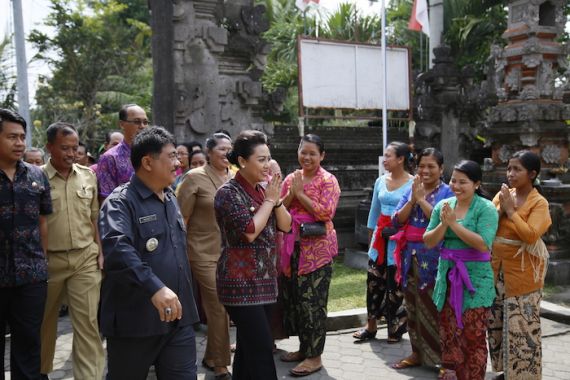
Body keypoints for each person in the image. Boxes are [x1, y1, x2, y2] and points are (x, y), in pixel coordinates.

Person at [98, 126, 199, 379]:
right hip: (135, 323)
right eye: (172, 156)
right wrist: (155, 287)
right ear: (147, 162)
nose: (178, 163)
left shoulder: (170, 197)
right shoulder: (120, 202)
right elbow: (118, 250)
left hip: (178, 320)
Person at [215, 130, 291, 380]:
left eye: (268, 158)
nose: (267, 164)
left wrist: (276, 201)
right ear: (243, 161)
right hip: (239, 284)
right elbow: (249, 231)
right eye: (261, 159)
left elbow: (286, 226)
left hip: (265, 280)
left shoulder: (264, 191)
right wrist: (270, 201)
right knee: (260, 351)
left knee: (248, 350)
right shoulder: (228, 193)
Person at [40, 122, 105, 379]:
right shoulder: (36, 178)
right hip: (48, 262)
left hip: (84, 259)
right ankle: (40, 372)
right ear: (49, 147)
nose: (71, 153)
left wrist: (100, 251)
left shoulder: (88, 175)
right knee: (43, 324)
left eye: (74, 147)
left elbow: (94, 217)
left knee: (87, 324)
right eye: (64, 148)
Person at [424, 160, 498, 380]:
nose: (456, 185)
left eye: (462, 182)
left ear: (476, 184)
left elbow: (484, 244)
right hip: (447, 277)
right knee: (448, 332)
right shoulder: (443, 206)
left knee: (473, 335)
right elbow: (428, 240)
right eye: (453, 180)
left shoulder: (485, 208)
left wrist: (454, 225)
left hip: (475, 280)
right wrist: (444, 224)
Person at [278, 134, 341, 377]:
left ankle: (315, 357)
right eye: (303, 152)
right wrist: (293, 192)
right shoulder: (292, 177)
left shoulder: (328, 180)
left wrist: (301, 194)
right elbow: (279, 207)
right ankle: (305, 348)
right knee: (296, 301)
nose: (307, 157)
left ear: (322, 156)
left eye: (313, 153)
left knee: (313, 304)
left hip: (317, 252)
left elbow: (326, 213)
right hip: (292, 248)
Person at [488, 151, 551, 380]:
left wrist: (511, 211)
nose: (511, 173)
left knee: (522, 328)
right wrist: (500, 209)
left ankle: (524, 376)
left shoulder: (539, 203)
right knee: (496, 323)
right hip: (496, 270)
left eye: (517, 169)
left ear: (532, 174)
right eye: (509, 168)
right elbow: (487, 227)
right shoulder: (503, 195)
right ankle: (505, 371)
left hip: (524, 274)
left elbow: (531, 236)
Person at [0, 108, 52, 379]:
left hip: (30, 276)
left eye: (22, 137)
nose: (20, 143)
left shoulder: (36, 175)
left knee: (29, 346)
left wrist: (41, 261)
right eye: (12, 137)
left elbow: (43, 222)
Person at [390, 148, 453, 370]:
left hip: (434, 256)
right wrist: (412, 200)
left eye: (431, 166)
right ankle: (417, 353)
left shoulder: (448, 192)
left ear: (441, 169)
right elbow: (396, 221)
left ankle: (442, 359)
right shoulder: (412, 189)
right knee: (412, 305)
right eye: (421, 166)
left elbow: (441, 222)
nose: (425, 170)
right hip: (410, 255)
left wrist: (421, 200)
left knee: (435, 307)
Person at [177, 132, 233, 379]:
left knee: (224, 307)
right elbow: (180, 219)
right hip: (200, 251)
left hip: (230, 253)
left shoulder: (234, 176)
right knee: (218, 304)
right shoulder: (193, 178)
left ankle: (211, 356)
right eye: (222, 149)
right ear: (209, 152)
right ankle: (221, 364)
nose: (226, 153)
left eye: (230, 149)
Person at [353, 141, 413, 343]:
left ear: (401, 159)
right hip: (379, 241)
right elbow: (373, 213)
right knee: (373, 283)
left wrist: (398, 230)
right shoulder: (380, 181)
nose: (384, 159)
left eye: (388, 156)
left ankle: (395, 329)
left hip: (399, 242)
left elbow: (414, 215)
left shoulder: (414, 184)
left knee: (395, 286)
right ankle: (370, 326)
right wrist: (371, 244)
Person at [96, 104, 148, 202]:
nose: (142, 126)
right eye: (137, 122)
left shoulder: (153, 154)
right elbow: (107, 200)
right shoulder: (110, 158)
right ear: (122, 124)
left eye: (145, 122)